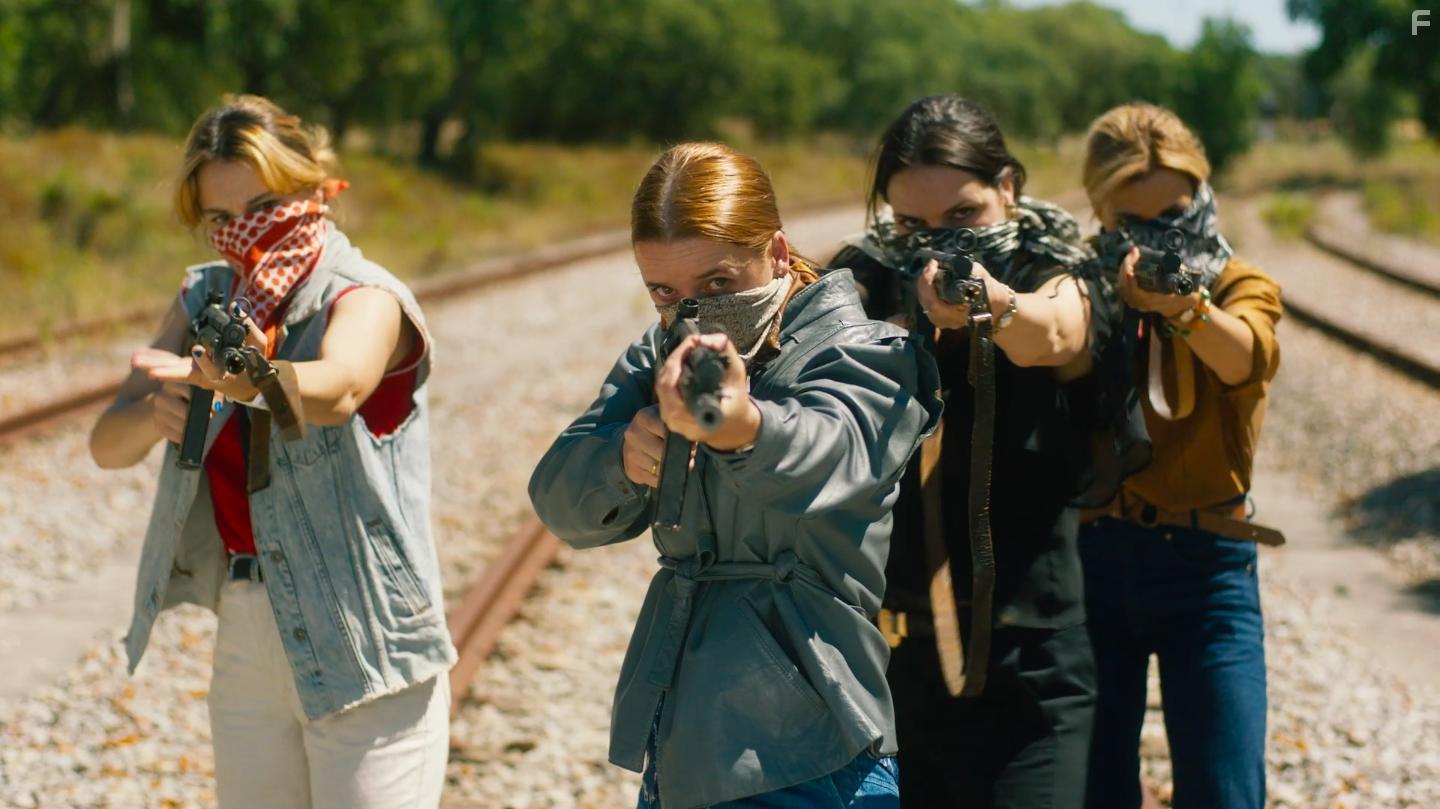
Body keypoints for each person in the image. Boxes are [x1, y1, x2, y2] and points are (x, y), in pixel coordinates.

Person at [528, 142, 942, 808]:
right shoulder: (662, 352)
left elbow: (826, 450)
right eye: (665, 291)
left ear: (777, 253)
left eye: (718, 284)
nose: (690, 310)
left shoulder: (867, 351)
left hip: (810, 744)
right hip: (682, 739)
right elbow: (557, 495)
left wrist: (738, 426)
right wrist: (625, 459)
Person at [89, 94, 454, 809]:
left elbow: (340, 386)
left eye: (262, 205)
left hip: (365, 626)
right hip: (250, 618)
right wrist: (157, 413)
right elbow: (107, 442)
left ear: (314, 189)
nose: (241, 233)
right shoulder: (206, 294)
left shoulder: (364, 293)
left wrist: (247, 379)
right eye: (220, 219)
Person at [827, 94, 1147, 807]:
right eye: (912, 222)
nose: (936, 240)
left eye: (962, 216)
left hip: (1033, 660)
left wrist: (990, 304)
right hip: (893, 661)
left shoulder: (1051, 264)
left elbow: (1058, 331)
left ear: (1008, 188)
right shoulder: (867, 275)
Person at [1077, 102, 1283, 809]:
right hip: (1094, 558)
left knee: (1226, 790)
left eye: (1177, 213)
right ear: (1103, 217)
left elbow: (1245, 355)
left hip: (1207, 565)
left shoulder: (1233, 282)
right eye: (1135, 222)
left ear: (1204, 197)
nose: (1161, 236)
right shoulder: (1082, 286)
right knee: (1095, 789)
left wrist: (1181, 306)